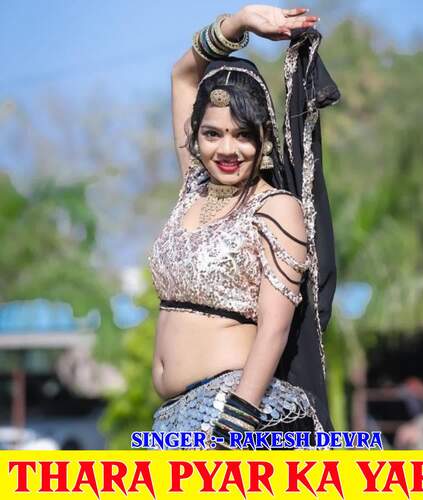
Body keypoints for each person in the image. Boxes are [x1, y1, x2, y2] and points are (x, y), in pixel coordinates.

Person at [148, 5, 340, 449]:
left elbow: (274, 329)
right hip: (174, 418)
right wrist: (239, 22)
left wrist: (234, 426)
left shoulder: (275, 208)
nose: (227, 149)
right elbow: (182, 75)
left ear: (264, 138)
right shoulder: (193, 189)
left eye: (243, 134)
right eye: (213, 134)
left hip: (236, 416)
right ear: (195, 136)